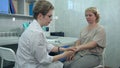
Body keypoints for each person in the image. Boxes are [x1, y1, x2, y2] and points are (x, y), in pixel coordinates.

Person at [15, 1, 75, 68]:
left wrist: (63, 49)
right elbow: (44, 60)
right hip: (30, 65)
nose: (51, 19)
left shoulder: (33, 27)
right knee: (60, 64)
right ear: (40, 16)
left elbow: (47, 45)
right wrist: (64, 55)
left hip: (25, 63)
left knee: (58, 63)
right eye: (49, 16)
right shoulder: (36, 33)